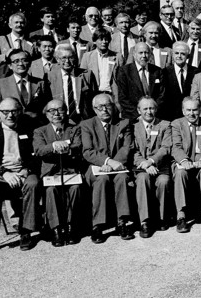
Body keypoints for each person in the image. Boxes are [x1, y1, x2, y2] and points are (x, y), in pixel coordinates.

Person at [0, 98, 39, 258]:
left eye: (14, 111)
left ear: (20, 112)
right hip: (0, 176)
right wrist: (4, 172)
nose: (10, 115)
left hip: (24, 173)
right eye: (5, 112)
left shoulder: (29, 131)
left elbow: (36, 155)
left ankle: (26, 231)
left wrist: (27, 169)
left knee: (33, 183)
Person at [81, 93, 135, 243]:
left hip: (118, 166)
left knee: (122, 178)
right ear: (94, 109)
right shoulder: (86, 125)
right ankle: (98, 225)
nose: (104, 110)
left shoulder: (123, 123)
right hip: (97, 167)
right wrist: (107, 162)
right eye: (99, 107)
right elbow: (88, 151)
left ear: (113, 106)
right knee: (102, 179)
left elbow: (127, 147)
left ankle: (122, 222)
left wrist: (114, 163)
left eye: (107, 106)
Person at [33, 99, 82, 247]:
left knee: (75, 188)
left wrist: (65, 146)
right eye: (51, 111)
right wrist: (54, 145)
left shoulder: (74, 129)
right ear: (46, 114)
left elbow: (78, 146)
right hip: (51, 173)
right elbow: (39, 150)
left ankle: (71, 227)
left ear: (66, 111)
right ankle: (56, 228)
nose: (56, 114)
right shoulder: (40, 131)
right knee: (51, 190)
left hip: (70, 171)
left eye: (60, 110)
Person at [171, 97, 201, 233]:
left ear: (200, 110)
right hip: (183, 162)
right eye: (188, 110)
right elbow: (176, 147)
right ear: (183, 111)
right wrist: (184, 161)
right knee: (180, 173)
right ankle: (181, 216)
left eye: (195, 110)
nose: (192, 113)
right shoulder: (176, 124)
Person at [132, 97, 173, 238]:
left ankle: (162, 217)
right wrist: (145, 164)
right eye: (145, 108)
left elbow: (166, 147)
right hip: (142, 167)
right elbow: (133, 151)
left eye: (151, 108)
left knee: (163, 181)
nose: (149, 111)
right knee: (142, 179)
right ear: (139, 110)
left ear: (156, 109)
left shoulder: (165, 125)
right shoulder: (133, 127)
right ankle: (145, 221)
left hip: (160, 166)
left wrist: (151, 161)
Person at [0, 49, 49, 125]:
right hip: (11, 129)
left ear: (30, 63)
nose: (21, 64)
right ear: (10, 66)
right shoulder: (1, 84)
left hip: (36, 129)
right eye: (16, 61)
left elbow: (47, 109)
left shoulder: (40, 83)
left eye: (24, 60)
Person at [116, 42, 167, 120]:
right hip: (133, 117)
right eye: (141, 53)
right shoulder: (124, 71)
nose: (144, 56)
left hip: (154, 116)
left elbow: (162, 95)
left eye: (146, 53)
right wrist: (138, 115)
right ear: (134, 54)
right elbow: (123, 98)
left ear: (150, 54)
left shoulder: (157, 71)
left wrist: (152, 112)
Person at [48, 44, 98, 124]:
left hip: (83, 119)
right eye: (63, 58)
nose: (67, 61)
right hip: (61, 119)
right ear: (57, 59)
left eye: (70, 57)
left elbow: (94, 96)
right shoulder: (50, 77)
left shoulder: (86, 74)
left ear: (75, 58)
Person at [0, 12, 35, 82]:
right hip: (5, 80)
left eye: (22, 23)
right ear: (10, 25)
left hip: (25, 81)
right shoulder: (0, 40)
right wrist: (5, 56)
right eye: (16, 22)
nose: (19, 25)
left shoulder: (31, 43)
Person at [160, 41, 200, 121]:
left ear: (188, 56)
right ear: (172, 55)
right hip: (170, 117)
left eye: (182, 54)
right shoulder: (164, 72)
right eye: (176, 53)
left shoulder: (196, 72)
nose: (179, 56)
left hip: (191, 117)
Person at [79, 28, 118, 95]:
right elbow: (83, 78)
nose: (104, 42)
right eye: (101, 39)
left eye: (106, 39)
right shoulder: (87, 56)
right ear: (94, 41)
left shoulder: (117, 56)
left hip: (111, 94)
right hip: (93, 94)